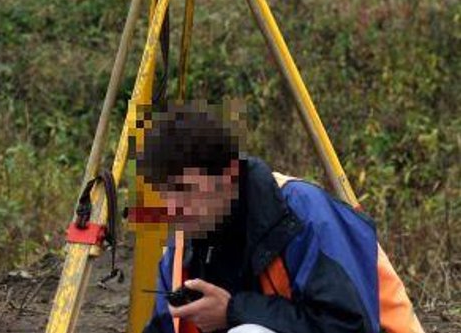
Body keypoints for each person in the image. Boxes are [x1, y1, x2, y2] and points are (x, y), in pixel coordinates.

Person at [141, 103, 423, 333]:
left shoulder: (304, 214)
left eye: (183, 189)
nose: (173, 207)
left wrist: (232, 311)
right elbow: (166, 325)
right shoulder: (186, 239)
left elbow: (351, 325)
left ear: (227, 175)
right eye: (166, 194)